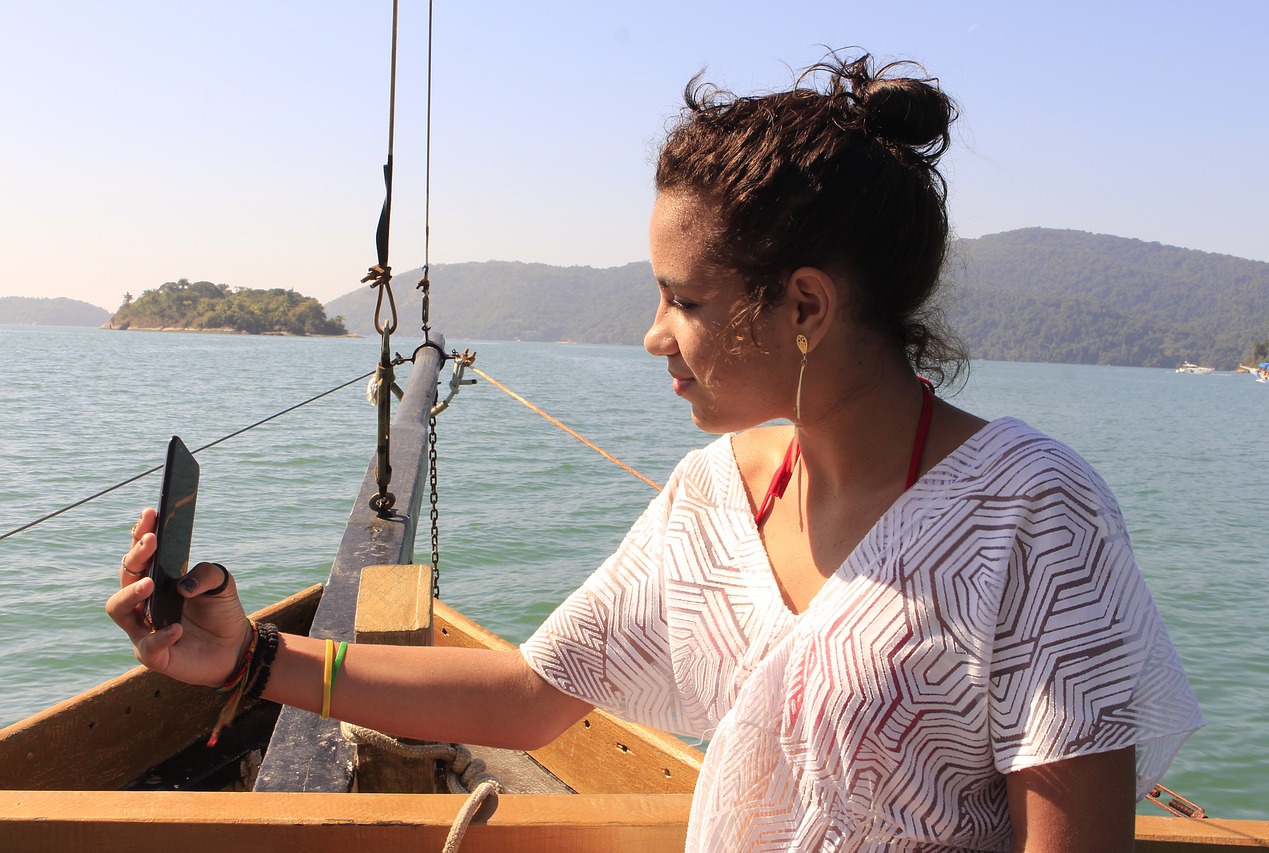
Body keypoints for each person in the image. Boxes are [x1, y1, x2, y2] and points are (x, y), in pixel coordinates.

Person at [109, 53, 1202, 852]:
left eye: (682, 299)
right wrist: (251, 658)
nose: (652, 335)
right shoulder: (710, 499)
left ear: (805, 307)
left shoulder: (1029, 514)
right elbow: (528, 697)